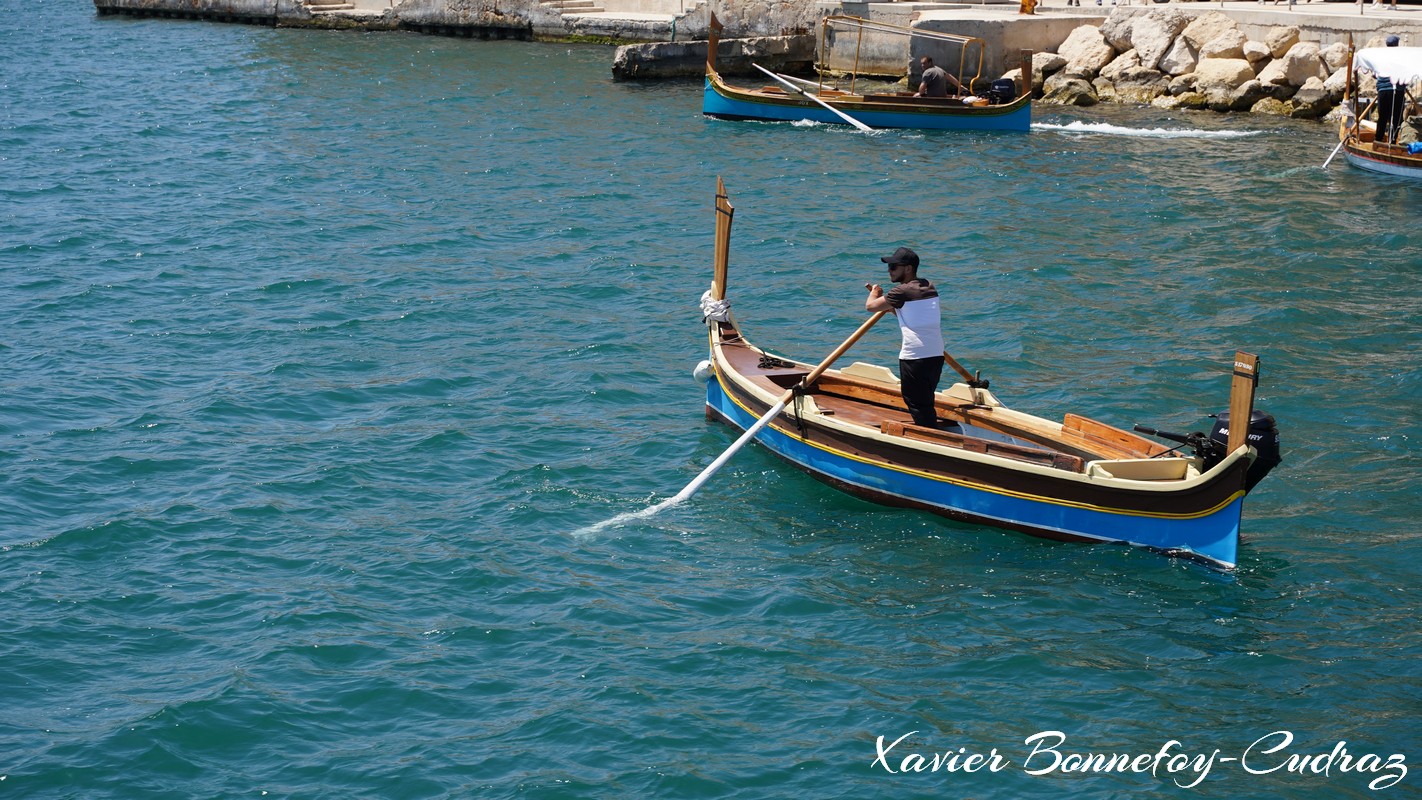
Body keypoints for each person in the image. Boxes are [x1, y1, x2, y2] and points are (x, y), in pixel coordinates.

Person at [865, 247, 945, 429]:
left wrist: (874, 292)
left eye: (893, 266)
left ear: (908, 269)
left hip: (914, 357)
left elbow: (870, 307)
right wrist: (890, 303)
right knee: (925, 401)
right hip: (936, 355)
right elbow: (910, 313)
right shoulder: (929, 286)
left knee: (916, 403)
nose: (889, 270)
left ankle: (929, 441)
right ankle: (930, 431)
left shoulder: (901, 292)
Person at [1377, 36, 1404, 144]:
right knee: (1396, 116)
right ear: (1397, 44)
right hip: (1397, 90)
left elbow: (1376, 73)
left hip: (1383, 89)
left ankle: (1378, 139)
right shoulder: (1401, 57)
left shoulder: (1381, 57)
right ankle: (1392, 141)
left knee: (1382, 116)